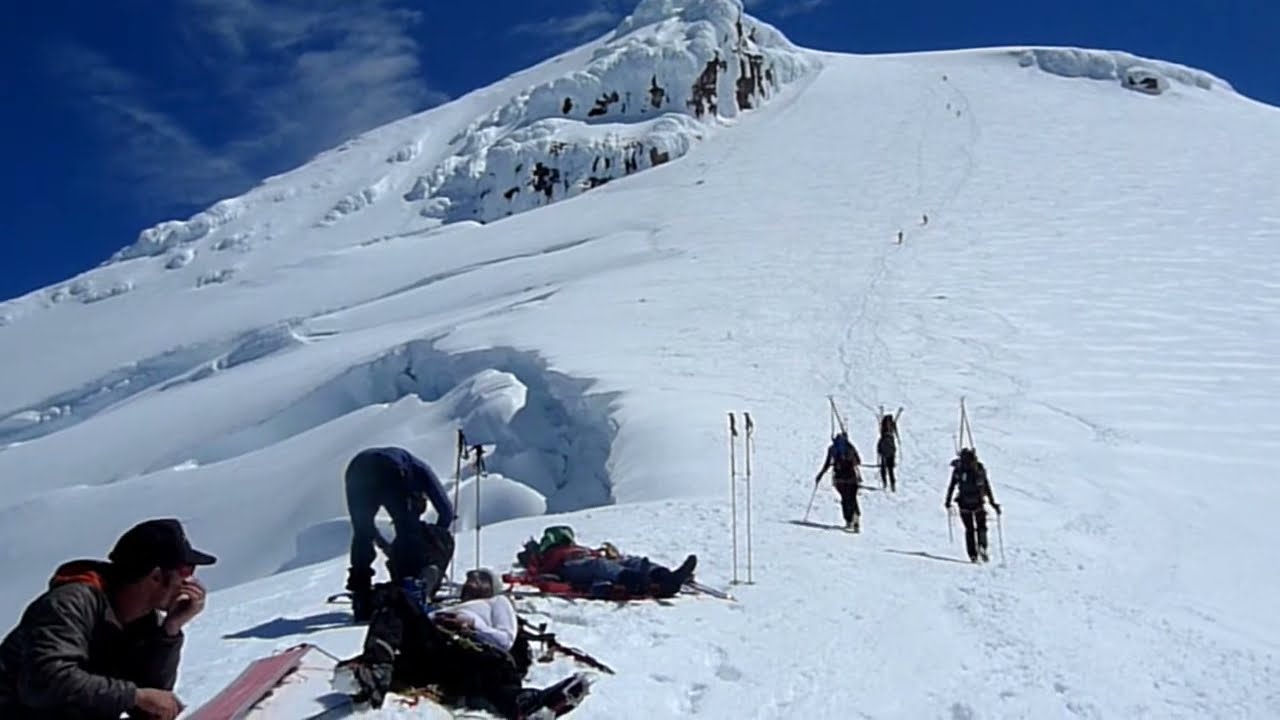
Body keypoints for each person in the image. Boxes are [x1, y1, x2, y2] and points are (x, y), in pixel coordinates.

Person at [0, 518, 216, 720]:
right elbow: (45, 682)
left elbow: (152, 708)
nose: (190, 581)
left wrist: (170, 629)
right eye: (185, 570)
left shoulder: (143, 618)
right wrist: (135, 696)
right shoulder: (70, 603)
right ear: (156, 576)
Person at [333, 567, 590, 719]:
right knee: (395, 600)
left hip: (471, 650)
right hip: (436, 657)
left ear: (493, 588)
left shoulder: (497, 603)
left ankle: (531, 705)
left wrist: (471, 625)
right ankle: (371, 674)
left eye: (480, 578)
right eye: (469, 578)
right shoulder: (447, 608)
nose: (471, 581)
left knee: (494, 682)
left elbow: (505, 639)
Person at [344, 446, 456, 622]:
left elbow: (367, 528)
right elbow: (447, 512)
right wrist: (435, 540)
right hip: (390, 468)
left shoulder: (414, 472)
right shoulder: (421, 473)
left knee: (361, 531)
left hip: (357, 469)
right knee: (407, 529)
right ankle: (412, 589)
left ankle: (361, 597)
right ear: (419, 497)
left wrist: (385, 546)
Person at [516, 527, 697, 599]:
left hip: (586, 560)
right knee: (600, 566)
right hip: (571, 567)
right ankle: (639, 580)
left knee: (630, 560)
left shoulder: (576, 547)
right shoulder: (543, 555)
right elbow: (537, 572)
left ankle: (665, 576)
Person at [944, 448, 1002, 563]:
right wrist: (992, 503)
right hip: (978, 503)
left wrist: (948, 501)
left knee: (969, 529)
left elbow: (952, 486)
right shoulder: (978, 468)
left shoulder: (958, 470)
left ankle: (973, 555)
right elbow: (986, 486)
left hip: (964, 504)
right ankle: (982, 546)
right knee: (981, 526)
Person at [815, 431, 862, 532]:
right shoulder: (850, 447)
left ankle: (848, 520)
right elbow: (858, 461)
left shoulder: (832, 449)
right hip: (852, 477)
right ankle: (856, 516)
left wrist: (820, 474)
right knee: (852, 498)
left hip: (839, 478)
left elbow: (827, 464)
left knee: (845, 499)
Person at [876, 412, 900, 492]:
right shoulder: (891, 436)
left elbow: (879, 445)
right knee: (890, 470)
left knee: (883, 468)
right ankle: (892, 485)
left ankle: (885, 483)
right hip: (891, 453)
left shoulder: (883, 436)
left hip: (884, 453)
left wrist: (879, 451)